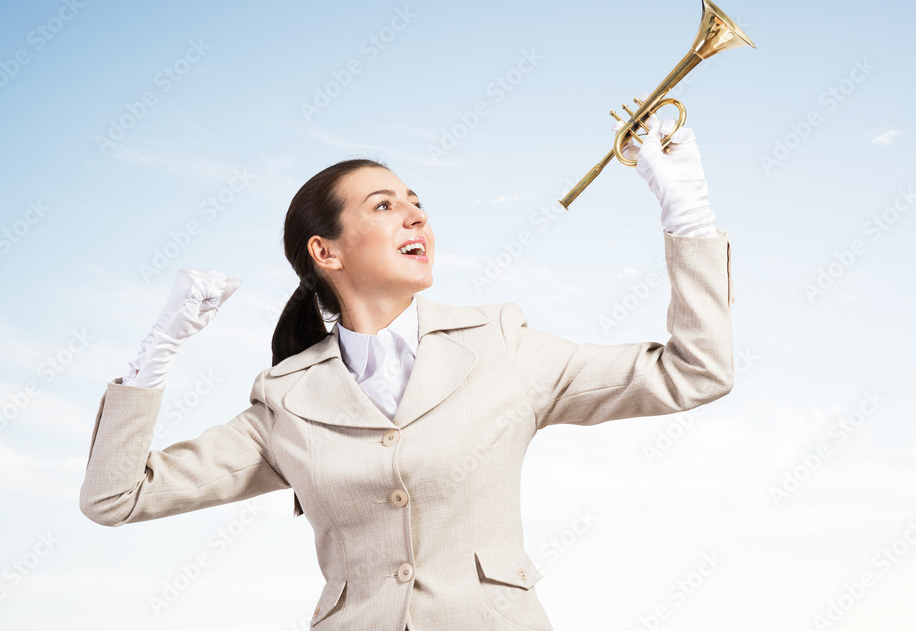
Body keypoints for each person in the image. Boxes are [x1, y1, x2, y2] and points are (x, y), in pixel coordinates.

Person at [79, 114, 734, 630]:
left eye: (415, 201)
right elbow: (116, 498)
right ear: (325, 250)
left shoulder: (499, 344)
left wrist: (688, 213)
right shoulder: (285, 402)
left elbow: (695, 372)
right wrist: (158, 350)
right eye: (384, 206)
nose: (416, 214)